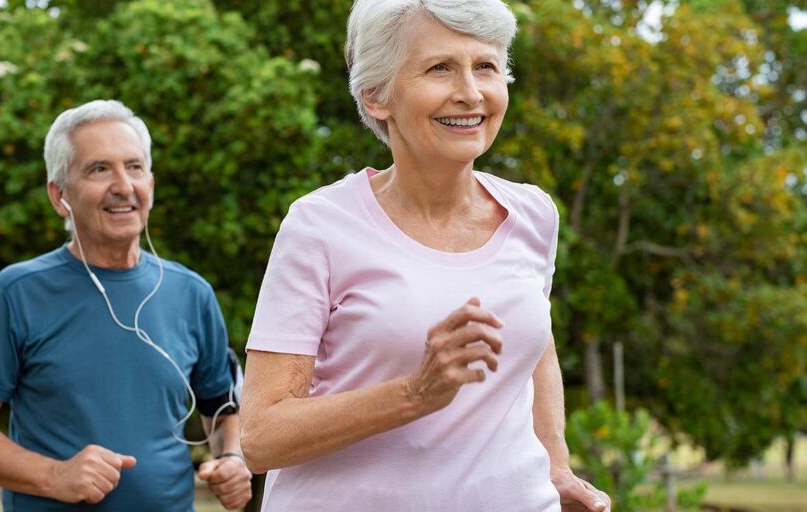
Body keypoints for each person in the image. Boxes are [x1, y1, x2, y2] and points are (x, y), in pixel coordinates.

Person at [240, 1, 612, 511]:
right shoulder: (319, 226)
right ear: (375, 96)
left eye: (486, 66)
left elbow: (533, 348)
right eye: (440, 68)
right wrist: (415, 393)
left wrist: (555, 465)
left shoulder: (533, 215)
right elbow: (261, 438)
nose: (470, 92)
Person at [0, 100, 252, 511]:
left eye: (134, 167)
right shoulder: (18, 292)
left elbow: (223, 409)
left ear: (150, 185)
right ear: (60, 195)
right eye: (99, 169)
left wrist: (231, 458)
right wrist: (55, 476)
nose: (123, 185)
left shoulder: (191, 292)